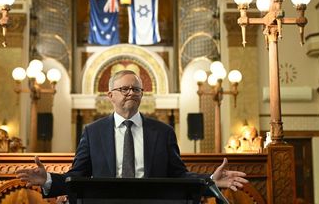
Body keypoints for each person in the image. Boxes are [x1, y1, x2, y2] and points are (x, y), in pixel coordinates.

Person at [17, 70, 248, 200]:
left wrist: (211, 182)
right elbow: (76, 177)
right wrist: (47, 180)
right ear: (110, 95)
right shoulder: (93, 132)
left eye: (136, 89)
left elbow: (178, 175)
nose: (131, 93)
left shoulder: (163, 132)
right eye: (124, 88)